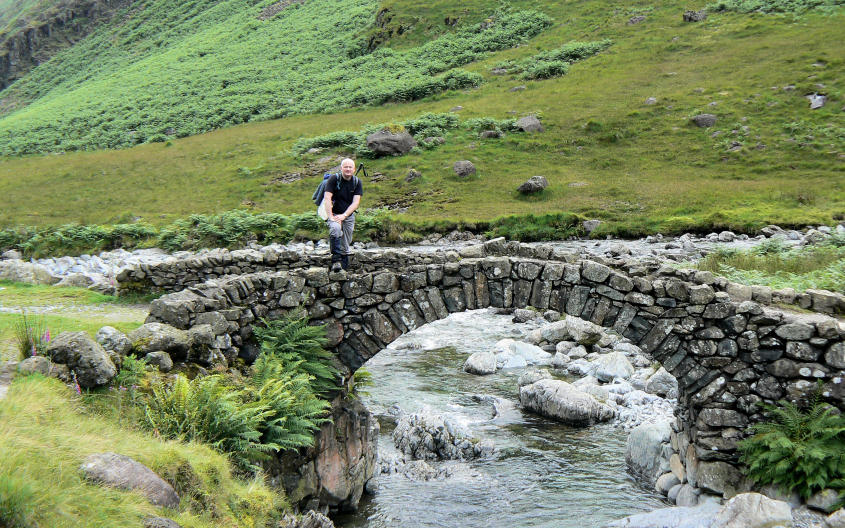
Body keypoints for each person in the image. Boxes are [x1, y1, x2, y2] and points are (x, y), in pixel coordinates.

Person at [324, 158, 363, 272]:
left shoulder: (357, 182)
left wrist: (344, 215)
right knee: (335, 229)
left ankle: (344, 267)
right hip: (334, 213)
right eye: (345, 167)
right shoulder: (334, 179)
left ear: (354, 169)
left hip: (348, 215)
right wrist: (331, 216)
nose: (348, 169)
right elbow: (327, 198)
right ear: (341, 168)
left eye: (350, 167)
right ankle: (336, 260)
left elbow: (356, 202)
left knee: (346, 242)